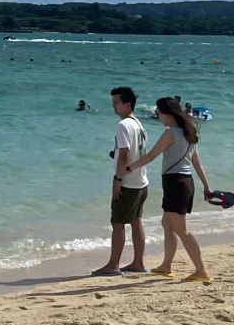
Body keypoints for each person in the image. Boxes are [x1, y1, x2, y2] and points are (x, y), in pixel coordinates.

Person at [129, 97, 214, 282]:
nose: (158, 116)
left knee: (182, 230)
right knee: (167, 224)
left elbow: (151, 156)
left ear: (167, 114)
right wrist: (207, 187)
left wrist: (128, 168)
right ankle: (166, 266)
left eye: (159, 113)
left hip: (176, 183)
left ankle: (201, 270)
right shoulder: (189, 132)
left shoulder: (170, 134)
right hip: (184, 182)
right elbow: (197, 163)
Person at [91, 86, 149, 277]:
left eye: (116, 102)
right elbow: (134, 152)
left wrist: (118, 178)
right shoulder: (139, 124)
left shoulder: (123, 125)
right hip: (141, 180)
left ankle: (113, 265)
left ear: (127, 104)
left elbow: (124, 154)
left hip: (128, 182)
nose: (113, 106)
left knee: (118, 222)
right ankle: (138, 262)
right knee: (136, 221)